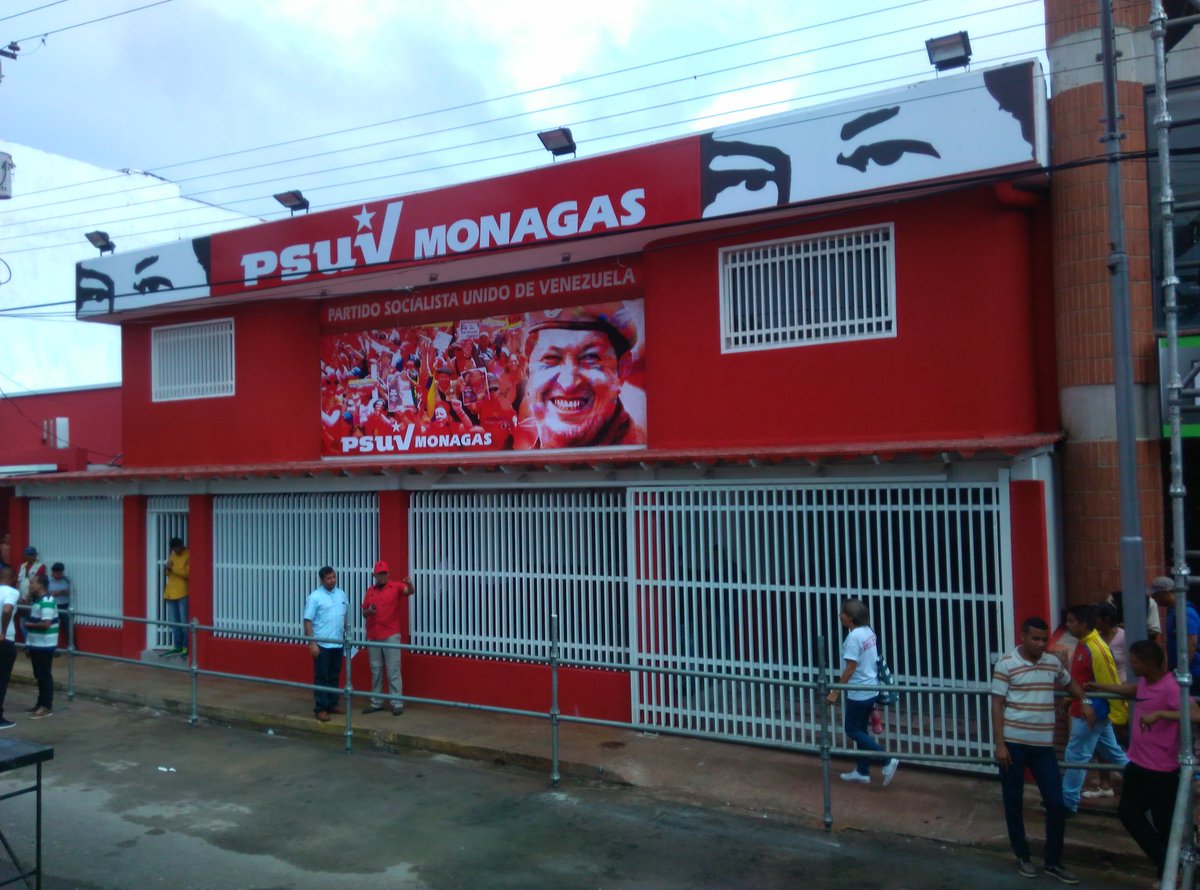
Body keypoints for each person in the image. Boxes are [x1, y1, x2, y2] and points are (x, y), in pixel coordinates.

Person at [1088, 639, 1196, 881]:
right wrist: (1101, 686)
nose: (1131, 665)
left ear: (1149, 663)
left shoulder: (1171, 687)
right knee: (1128, 813)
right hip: (1137, 764)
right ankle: (1167, 866)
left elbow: (1196, 714)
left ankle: (1171, 874)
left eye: (1135, 662)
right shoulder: (1146, 682)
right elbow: (1134, 691)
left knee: (1164, 825)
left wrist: (1160, 714)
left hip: (1161, 771)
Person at [992, 616, 1085, 884]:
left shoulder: (1052, 663)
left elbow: (1070, 684)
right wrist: (1000, 744)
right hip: (1013, 744)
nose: (1041, 644)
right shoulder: (1006, 664)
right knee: (1013, 801)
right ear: (1023, 637)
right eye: (1036, 639)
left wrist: (1085, 702)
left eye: (1044, 639)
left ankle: (1053, 861)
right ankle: (1022, 856)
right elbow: (997, 704)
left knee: (1056, 803)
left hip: (1043, 746)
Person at [519, 305, 645, 450]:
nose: (569, 384)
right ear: (527, 369)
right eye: (551, 359)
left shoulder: (640, 453)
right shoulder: (522, 449)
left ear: (622, 370)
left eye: (590, 358)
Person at [1062, 604, 1128, 815]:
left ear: (1083, 624)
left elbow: (1110, 682)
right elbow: (1080, 679)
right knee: (1114, 754)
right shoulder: (1084, 644)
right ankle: (1147, 783)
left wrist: (1119, 716)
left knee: (1076, 756)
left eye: (1071, 621)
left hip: (1091, 713)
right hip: (1089, 711)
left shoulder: (1097, 649)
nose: (1067, 625)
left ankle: (1068, 803)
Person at [825, 597, 899, 786]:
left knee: (851, 729)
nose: (840, 616)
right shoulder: (868, 631)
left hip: (859, 692)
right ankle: (862, 771)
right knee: (861, 730)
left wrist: (835, 691)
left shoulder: (853, 637)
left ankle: (886, 759)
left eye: (843, 613)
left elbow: (850, 667)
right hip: (871, 688)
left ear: (851, 617)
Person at [360, 561, 415, 716]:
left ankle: (397, 702)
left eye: (384, 573)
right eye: (379, 574)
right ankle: (376, 702)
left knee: (393, 669)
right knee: (376, 669)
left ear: (388, 574)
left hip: (390, 634)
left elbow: (409, 591)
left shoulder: (395, 587)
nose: (382, 576)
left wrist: (410, 584)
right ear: (374, 575)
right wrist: (369, 612)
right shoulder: (370, 591)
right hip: (373, 634)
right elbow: (364, 612)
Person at [1085, 601, 1127, 799]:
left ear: (1106, 620)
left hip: (1120, 694)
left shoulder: (1123, 637)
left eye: (1097, 619)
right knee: (1103, 743)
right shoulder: (1094, 638)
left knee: (1120, 739)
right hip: (1101, 694)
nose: (1094, 622)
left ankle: (1134, 779)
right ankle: (1105, 783)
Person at [303, 566, 348, 723]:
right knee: (321, 676)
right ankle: (320, 708)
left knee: (334, 675)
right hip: (322, 644)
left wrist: (346, 634)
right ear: (322, 580)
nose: (332, 581)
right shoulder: (315, 597)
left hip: (337, 643)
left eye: (334, 577)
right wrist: (312, 643)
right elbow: (307, 621)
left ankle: (332, 703)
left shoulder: (341, 594)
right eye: (329, 578)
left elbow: (344, 615)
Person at [1150, 579, 1200, 690]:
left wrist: (1181, 670)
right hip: (1183, 672)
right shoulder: (1173, 612)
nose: (1154, 599)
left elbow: (1192, 644)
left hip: (1193, 673)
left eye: (1156, 595)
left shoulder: (1186, 612)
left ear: (1166, 593)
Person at [23, 574, 58, 718]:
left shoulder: (47, 601)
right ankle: (40, 703)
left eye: (32, 583)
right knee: (39, 674)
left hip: (45, 644)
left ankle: (46, 706)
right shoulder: (38, 600)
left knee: (44, 675)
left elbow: (46, 624)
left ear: (41, 585)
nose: (30, 585)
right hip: (36, 644)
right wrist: (29, 644)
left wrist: (29, 625)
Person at [162, 537, 190, 656]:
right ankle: (177, 646)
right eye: (173, 549)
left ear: (181, 546)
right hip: (170, 592)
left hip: (182, 592)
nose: (175, 550)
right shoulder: (172, 555)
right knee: (174, 622)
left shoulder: (188, 555)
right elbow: (167, 573)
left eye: (176, 548)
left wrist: (172, 569)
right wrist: (167, 568)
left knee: (184, 622)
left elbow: (188, 573)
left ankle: (185, 647)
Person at [0, 569, 20, 730]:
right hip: (4, 640)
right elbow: (7, 610)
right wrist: (4, 631)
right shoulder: (11, 592)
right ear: (12, 577)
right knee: (2, 679)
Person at [47, 562, 71, 651]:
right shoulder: (47, 581)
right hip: (52, 605)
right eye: (57, 574)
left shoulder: (66, 580)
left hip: (64, 605)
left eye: (61, 573)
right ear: (53, 572)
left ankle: (72, 646)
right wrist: (57, 593)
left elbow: (71, 592)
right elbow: (45, 594)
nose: (59, 575)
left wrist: (61, 592)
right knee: (52, 626)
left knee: (67, 626)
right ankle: (52, 647)